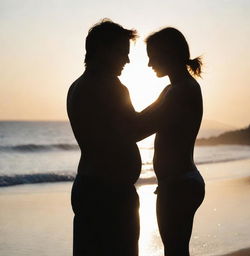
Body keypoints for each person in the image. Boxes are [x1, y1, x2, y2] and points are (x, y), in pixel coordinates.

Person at [67, 19, 141, 256]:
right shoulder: (112, 87)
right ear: (102, 50)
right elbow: (135, 129)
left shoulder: (76, 86)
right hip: (111, 195)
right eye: (122, 52)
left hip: (88, 186)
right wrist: (167, 105)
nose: (127, 60)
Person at [141, 27, 205, 256]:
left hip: (179, 184)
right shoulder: (173, 89)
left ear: (169, 53)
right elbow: (141, 120)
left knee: (175, 251)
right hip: (178, 182)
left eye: (152, 56)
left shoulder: (181, 91)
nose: (149, 64)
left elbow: (140, 128)